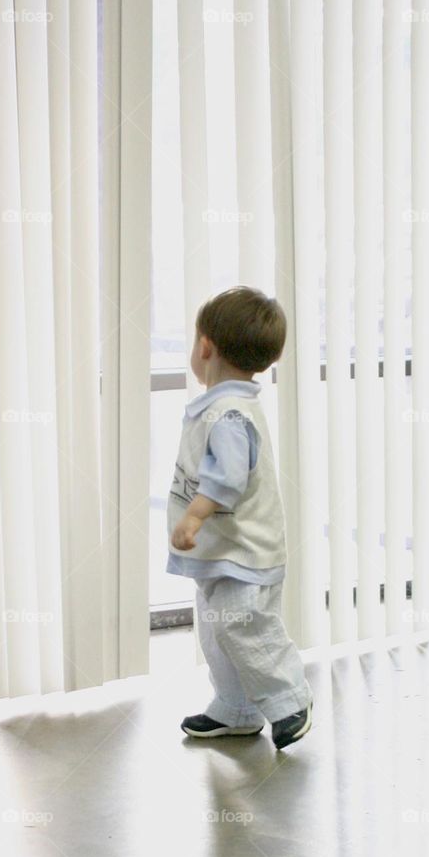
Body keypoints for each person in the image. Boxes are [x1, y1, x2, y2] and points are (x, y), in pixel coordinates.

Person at [167, 285, 313, 750]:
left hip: (245, 553)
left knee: (244, 626)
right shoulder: (220, 407)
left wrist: (193, 518)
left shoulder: (228, 414)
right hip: (224, 554)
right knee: (218, 633)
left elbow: (227, 477)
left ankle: (290, 699)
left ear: (204, 345)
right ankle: (235, 708)